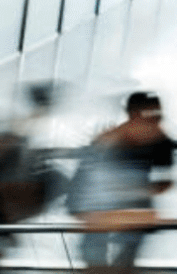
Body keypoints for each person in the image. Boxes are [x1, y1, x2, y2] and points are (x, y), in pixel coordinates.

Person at [72, 92, 174, 272]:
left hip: (122, 223)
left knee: (121, 260)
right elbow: (86, 204)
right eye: (152, 117)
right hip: (106, 222)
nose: (157, 124)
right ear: (134, 115)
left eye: (158, 117)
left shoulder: (150, 144)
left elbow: (161, 180)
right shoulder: (106, 148)